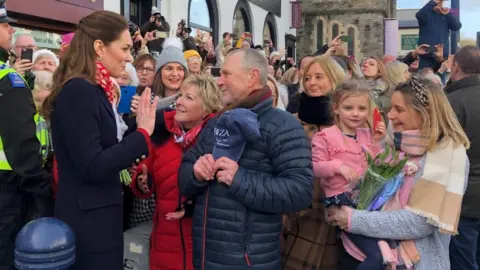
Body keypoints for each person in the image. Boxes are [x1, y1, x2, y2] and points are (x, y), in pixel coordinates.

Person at [41, 11, 159, 270]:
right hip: (88, 225)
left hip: (99, 219)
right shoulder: (79, 91)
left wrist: (140, 127)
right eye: (125, 48)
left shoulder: (95, 89)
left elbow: (108, 149)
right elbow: (92, 165)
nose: (129, 57)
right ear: (98, 47)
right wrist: (142, 134)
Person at [178, 48, 314, 269]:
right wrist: (195, 172)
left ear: (251, 77)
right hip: (206, 260)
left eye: (226, 74)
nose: (219, 81)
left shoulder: (282, 125)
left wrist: (239, 179)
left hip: (249, 262)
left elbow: (300, 192)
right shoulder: (217, 122)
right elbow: (184, 177)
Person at [328, 77, 470, 270]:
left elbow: (420, 222)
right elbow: (373, 189)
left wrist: (353, 219)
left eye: (399, 109)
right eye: (392, 107)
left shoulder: (447, 156)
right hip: (361, 251)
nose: (391, 115)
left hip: (411, 262)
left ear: (424, 113)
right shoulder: (396, 143)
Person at [132, 74, 223, 270]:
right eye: (180, 95)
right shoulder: (164, 133)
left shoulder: (219, 140)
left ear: (207, 107)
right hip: (163, 240)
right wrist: (142, 179)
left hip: (201, 245)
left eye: (189, 98)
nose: (179, 102)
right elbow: (145, 172)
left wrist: (192, 206)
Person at [0, 3, 54, 269]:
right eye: (4, 24)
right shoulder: (8, 79)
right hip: (9, 189)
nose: (10, 28)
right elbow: (21, 144)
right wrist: (42, 188)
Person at [312, 80, 386, 270]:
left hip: (366, 201)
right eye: (348, 108)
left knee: (381, 249)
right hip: (341, 202)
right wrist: (338, 167)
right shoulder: (326, 136)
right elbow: (315, 166)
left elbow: (375, 166)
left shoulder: (366, 134)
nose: (355, 113)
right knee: (376, 255)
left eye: (361, 108)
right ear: (336, 109)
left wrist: (377, 142)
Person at [446, 45, 480, 270]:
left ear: (456, 67)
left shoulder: (450, 102)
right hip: (468, 194)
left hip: (463, 196)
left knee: (463, 261)